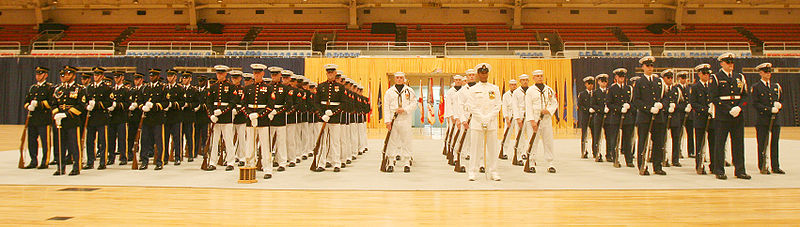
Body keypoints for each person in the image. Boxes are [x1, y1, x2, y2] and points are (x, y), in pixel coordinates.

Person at [709, 53, 750, 180]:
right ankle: (719, 169)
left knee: (738, 143)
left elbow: (745, 96)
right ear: (721, 63)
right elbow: (714, 97)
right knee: (720, 143)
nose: (731, 64)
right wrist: (728, 109)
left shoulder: (739, 77)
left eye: (731, 62)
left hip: (737, 115)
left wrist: (740, 107)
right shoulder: (716, 78)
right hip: (722, 116)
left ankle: (740, 170)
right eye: (728, 62)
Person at [465, 63, 501, 181]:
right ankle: (473, 172)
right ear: (478, 74)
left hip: (491, 122)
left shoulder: (494, 89)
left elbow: (498, 105)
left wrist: (489, 117)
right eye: (481, 73)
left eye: (485, 73)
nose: (484, 75)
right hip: (477, 122)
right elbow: (471, 106)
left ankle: (493, 172)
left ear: (488, 74)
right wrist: (481, 117)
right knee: (475, 148)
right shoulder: (473, 89)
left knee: (493, 148)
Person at [633, 56, 667, 176]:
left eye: (652, 66)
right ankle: (642, 165)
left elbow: (665, 97)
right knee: (643, 141)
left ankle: (657, 166)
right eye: (647, 66)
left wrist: (662, 105)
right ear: (643, 67)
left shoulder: (659, 81)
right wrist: (648, 108)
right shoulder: (639, 82)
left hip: (658, 117)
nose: (650, 68)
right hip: (644, 117)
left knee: (658, 142)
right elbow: (636, 100)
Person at [52, 66, 86, 176]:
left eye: (68, 74)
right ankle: (60, 167)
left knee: (74, 145)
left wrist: (66, 114)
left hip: (72, 121)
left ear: (73, 75)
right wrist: (57, 113)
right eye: (64, 74)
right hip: (61, 122)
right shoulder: (58, 89)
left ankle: (76, 167)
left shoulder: (79, 89)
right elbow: (53, 103)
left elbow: (81, 106)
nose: (66, 76)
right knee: (60, 145)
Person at [750, 62, 784, 175]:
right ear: (760, 73)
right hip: (763, 119)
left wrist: (779, 106)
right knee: (763, 143)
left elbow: (780, 100)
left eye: (769, 72)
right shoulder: (756, 87)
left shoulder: (776, 86)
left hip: (775, 119)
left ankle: (776, 166)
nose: (768, 74)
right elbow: (755, 103)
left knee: (775, 143)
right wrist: (769, 109)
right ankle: (763, 165)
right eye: (766, 72)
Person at [525, 69, 559, 173]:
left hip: (546, 120)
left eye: (541, 76)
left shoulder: (549, 90)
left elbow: (554, 103)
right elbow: (528, 107)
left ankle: (550, 163)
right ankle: (531, 162)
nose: (540, 78)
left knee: (548, 141)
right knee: (533, 142)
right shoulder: (530, 91)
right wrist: (532, 121)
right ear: (533, 78)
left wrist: (548, 110)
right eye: (537, 76)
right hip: (534, 120)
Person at [205, 65, 239, 171]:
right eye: (218, 73)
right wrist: (211, 115)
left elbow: (233, 102)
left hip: (226, 117)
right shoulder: (213, 86)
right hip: (215, 117)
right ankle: (212, 162)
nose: (219, 75)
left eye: (221, 73)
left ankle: (230, 162)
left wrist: (222, 111)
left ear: (225, 74)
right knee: (214, 141)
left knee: (228, 140)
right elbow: (209, 103)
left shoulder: (231, 86)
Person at [383, 72, 417, 173]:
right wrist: (387, 121)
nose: (399, 79)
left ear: (404, 79)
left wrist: (405, 109)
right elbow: (386, 106)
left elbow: (414, 103)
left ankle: (406, 162)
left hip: (405, 119)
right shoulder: (389, 91)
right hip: (393, 120)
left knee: (406, 140)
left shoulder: (409, 90)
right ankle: (390, 162)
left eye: (401, 78)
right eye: (397, 78)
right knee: (392, 141)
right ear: (394, 79)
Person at [244, 63, 274, 179]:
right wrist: (250, 114)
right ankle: (250, 165)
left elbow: (270, 105)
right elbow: (243, 104)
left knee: (265, 145)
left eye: (258, 73)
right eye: (255, 73)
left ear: (263, 73)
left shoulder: (268, 88)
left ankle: (267, 168)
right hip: (250, 119)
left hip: (263, 120)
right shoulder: (248, 88)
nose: (256, 75)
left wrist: (259, 115)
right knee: (250, 145)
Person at [315, 65, 347, 172]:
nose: (330, 74)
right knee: (323, 142)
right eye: (328, 72)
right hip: (323, 117)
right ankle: (321, 163)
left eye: (332, 72)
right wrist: (321, 114)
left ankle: (336, 163)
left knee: (335, 141)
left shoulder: (341, 87)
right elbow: (316, 103)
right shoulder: (320, 86)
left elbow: (343, 104)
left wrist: (333, 112)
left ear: (335, 73)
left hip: (335, 118)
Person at [23, 66, 55, 169]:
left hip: (43, 118)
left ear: (45, 75)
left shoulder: (49, 88)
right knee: (32, 141)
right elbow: (26, 101)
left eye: (40, 74)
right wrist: (28, 106)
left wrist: (38, 104)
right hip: (32, 118)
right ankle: (33, 160)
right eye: (37, 74)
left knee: (45, 141)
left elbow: (51, 103)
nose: (38, 76)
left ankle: (45, 161)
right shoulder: (33, 88)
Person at [138, 69, 168, 170]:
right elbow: (139, 100)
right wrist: (142, 106)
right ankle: (144, 161)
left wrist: (154, 106)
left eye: (154, 76)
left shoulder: (163, 88)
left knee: (159, 141)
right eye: (150, 76)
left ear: (158, 76)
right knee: (144, 141)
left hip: (157, 119)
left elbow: (165, 103)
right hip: (146, 119)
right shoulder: (144, 88)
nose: (151, 77)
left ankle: (159, 161)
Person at [83, 67, 112, 170]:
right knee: (90, 141)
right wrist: (87, 106)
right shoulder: (89, 88)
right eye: (95, 75)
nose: (96, 77)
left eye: (98, 75)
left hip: (101, 117)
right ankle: (90, 161)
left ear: (102, 76)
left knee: (103, 141)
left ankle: (103, 162)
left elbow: (109, 102)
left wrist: (97, 104)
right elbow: (84, 100)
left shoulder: (106, 88)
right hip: (91, 118)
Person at [606, 68, 635, 167]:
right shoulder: (612, 89)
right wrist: (619, 109)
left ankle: (629, 160)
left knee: (627, 140)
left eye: (623, 76)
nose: (622, 78)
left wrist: (629, 106)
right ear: (616, 77)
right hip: (616, 117)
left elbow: (634, 102)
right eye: (620, 76)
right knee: (614, 139)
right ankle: (615, 159)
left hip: (627, 117)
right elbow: (609, 103)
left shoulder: (629, 89)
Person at [690, 64, 715, 175]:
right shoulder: (695, 87)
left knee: (713, 143)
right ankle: (700, 165)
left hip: (712, 119)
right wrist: (705, 109)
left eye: (708, 73)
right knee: (700, 143)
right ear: (699, 74)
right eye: (704, 73)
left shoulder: (712, 86)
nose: (706, 76)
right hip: (700, 118)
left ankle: (714, 165)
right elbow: (693, 103)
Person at [108, 71, 131, 165]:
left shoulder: (126, 90)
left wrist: (116, 105)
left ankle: (123, 157)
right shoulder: (111, 90)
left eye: (118, 77)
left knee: (122, 139)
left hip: (122, 117)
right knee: (111, 139)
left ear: (122, 78)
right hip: (112, 118)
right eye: (115, 77)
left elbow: (127, 104)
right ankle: (111, 157)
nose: (116, 79)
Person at [163, 69, 185, 165]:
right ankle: (165, 157)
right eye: (168, 76)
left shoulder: (179, 89)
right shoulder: (164, 88)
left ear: (175, 77)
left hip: (176, 116)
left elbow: (182, 102)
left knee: (177, 138)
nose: (169, 78)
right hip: (166, 117)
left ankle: (177, 157)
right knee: (165, 138)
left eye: (171, 76)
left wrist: (172, 104)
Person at [180, 71, 201, 162]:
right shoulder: (180, 89)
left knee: (189, 136)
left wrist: (188, 105)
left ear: (190, 79)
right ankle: (180, 154)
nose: (184, 80)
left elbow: (197, 103)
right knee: (179, 137)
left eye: (186, 78)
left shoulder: (194, 90)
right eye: (183, 78)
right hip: (180, 116)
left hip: (189, 115)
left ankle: (191, 154)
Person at [590, 73, 609, 162]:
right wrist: (601, 109)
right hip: (598, 116)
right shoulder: (595, 92)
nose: (604, 83)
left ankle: (609, 154)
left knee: (608, 136)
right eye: (602, 81)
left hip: (608, 117)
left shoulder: (609, 91)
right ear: (598, 82)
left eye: (605, 81)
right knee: (597, 135)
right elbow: (593, 105)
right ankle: (596, 152)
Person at [512, 74, 530, 164]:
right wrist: (518, 118)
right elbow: (514, 106)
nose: (525, 81)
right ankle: (518, 156)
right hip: (520, 116)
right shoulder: (516, 92)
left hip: (530, 117)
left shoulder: (531, 90)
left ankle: (527, 153)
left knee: (530, 136)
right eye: (523, 80)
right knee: (519, 137)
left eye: (526, 80)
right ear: (520, 81)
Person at [577, 76, 595, 159]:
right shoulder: (582, 94)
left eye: (592, 84)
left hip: (594, 117)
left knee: (595, 135)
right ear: (585, 84)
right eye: (589, 84)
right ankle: (584, 151)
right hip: (585, 116)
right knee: (584, 134)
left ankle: (595, 151)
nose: (591, 86)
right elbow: (580, 106)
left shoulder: (595, 93)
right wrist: (587, 109)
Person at [500, 78, 517, 161]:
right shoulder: (506, 95)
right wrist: (506, 118)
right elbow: (504, 107)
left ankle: (521, 153)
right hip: (509, 116)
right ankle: (504, 152)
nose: (513, 86)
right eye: (512, 85)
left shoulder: (519, 93)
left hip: (518, 116)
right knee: (506, 135)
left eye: (515, 85)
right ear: (509, 86)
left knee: (519, 135)